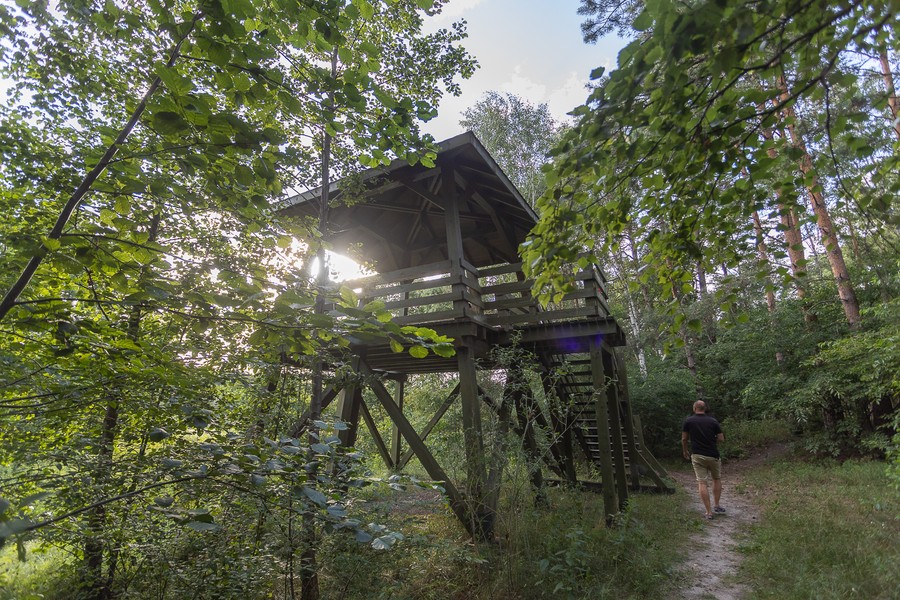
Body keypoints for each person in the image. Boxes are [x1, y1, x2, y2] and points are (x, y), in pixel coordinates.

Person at [681, 400, 725, 520]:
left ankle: (708, 512)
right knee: (716, 479)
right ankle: (717, 505)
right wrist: (712, 441)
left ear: (694, 408)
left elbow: (684, 439)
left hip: (697, 455)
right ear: (704, 408)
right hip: (713, 455)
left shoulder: (689, 421)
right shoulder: (713, 421)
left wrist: (685, 451)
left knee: (702, 482)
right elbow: (721, 438)